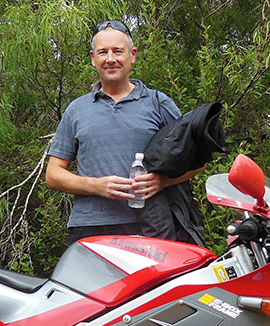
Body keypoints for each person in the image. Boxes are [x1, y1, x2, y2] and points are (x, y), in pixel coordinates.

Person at [45, 20, 203, 244]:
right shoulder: (76, 110)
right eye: (103, 52)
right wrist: (97, 186)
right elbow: (53, 174)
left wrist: (163, 181)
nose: (110, 59)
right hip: (89, 228)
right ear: (93, 58)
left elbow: (198, 160)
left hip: (150, 226)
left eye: (118, 51)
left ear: (132, 55)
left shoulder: (158, 103)